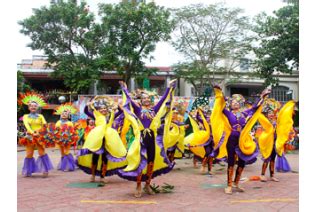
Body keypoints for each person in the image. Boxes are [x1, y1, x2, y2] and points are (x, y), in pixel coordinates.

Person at [118, 80, 176, 198]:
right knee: (140, 162)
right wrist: (124, 89)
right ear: (141, 100)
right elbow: (129, 100)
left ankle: (147, 184)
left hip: (152, 140)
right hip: (141, 139)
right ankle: (138, 185)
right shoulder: (138, 110)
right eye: (144, 98)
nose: (146, 100)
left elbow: (163, 99)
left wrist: (169, 88)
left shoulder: (154, 110)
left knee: (151, 162)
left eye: (148, 98)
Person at [212, 85, 270, 194]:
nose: (235, 103)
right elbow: (219, 105)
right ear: (230, 105)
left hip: (242, 140)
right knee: (231, 162)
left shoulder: (244, 114)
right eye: (233, 102)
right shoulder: (228, 113)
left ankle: (236, 183)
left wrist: (263, 96)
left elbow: (254, 107)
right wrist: (219, 93)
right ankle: (229, 185)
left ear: (240, 104)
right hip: (232, 140)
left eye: (237, 102)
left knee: (242, 162)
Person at [77, 96, 127, 184]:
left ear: (107, 109)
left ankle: (102, 176)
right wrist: (87, 105)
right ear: (98, 110)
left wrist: (117, 105)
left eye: (105, 108)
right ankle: (92, 175)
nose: (103, 110)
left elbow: (121, 111)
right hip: (97, 139)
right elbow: (86, 111)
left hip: (108, 139)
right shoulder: (95, 115)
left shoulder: (111, 115)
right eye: (101, 108)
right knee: (95, 157)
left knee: (105, 158)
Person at [258, 99, 296, 182]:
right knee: (266, 159)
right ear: (267, 115)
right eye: (269, 113)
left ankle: (272, 175)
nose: (271, 114)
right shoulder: (265, 122)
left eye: (272, 113)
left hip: (275, 143)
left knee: (272, 159)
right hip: (268, 143)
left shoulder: (276, 122)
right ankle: (262, 175)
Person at [19, 92, 54, 177]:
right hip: (30, 136)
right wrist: (32, 132)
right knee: (29, 154)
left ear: (37, 107)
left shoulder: (40, 116)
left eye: (35, 106)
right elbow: (27, 125)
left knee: (42, 153)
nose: (33, 107)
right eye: (31, 106)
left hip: (40, 136)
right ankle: (28, 171)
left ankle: (45, 170)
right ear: (29, 107)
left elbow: (45, 124)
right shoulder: (25, 116)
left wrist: (40, 131)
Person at [54, 103, 78, 172]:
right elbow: (55, 130)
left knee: (66, 152)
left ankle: (70, 166)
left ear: (68, 115)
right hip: (60, 140)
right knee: (62, 153)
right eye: (62, 113)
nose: (64, 114)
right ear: (60, 114)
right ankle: (63, 165)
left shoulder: (69, 123)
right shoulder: (58, 122)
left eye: (66, 114)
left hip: (67, 139)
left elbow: (72, 131)